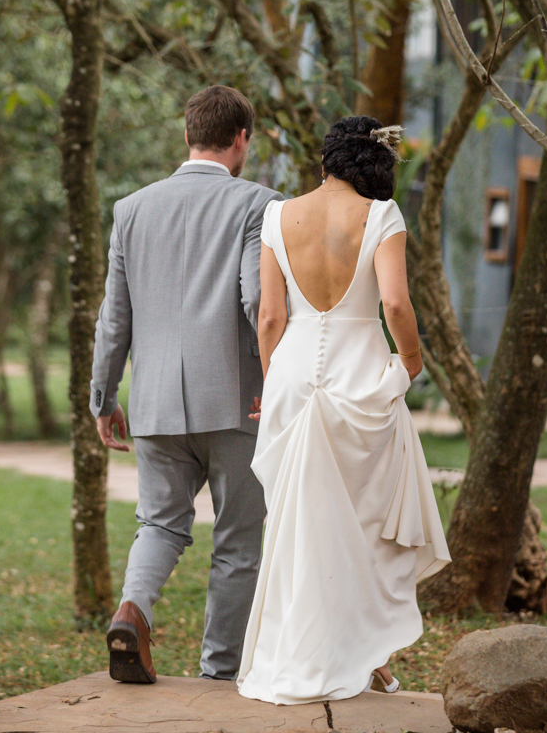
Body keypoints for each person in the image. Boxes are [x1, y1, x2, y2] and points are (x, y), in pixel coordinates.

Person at [236, 116, 451, 705]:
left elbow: (271, 319)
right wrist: (410, 359)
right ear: (373, 165)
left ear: (324, 161)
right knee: (366, 525)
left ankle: (344, 655)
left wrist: (273, 380)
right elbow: (394, 301)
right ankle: (367, 654)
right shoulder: (382, 216)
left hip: (293, 373)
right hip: (363, 378)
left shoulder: (276, 217)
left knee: (301, 524)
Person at [90, 85, 283, 684]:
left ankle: (133, 610)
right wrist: (281, 383)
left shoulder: (131, 209)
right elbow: (259, 302)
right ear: (242, 139)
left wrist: (103, 397)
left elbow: (113, 317)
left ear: (186, 135)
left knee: (161, 524)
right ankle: (217, 677)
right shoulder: (260, 205)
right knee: (238, 543)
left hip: (151, 405)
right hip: (238, 403)